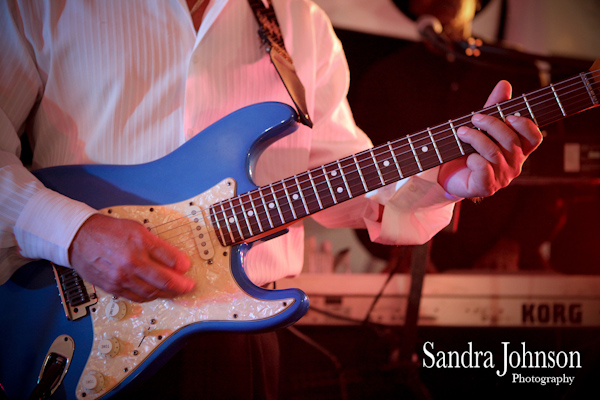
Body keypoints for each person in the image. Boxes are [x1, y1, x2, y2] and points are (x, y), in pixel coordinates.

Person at [0, 0, 541, 398]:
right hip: (75, 320)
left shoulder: (298, 22)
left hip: (237, 340)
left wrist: (440, 181)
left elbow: (337, 171)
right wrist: (73, 234)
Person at [339, 0, 565, 272]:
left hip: (506, 261)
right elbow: (362, 172)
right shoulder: (385, 77)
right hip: (410, 262)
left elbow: (554, 165)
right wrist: (395, 247)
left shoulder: (516, 67)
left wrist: (516, 242)